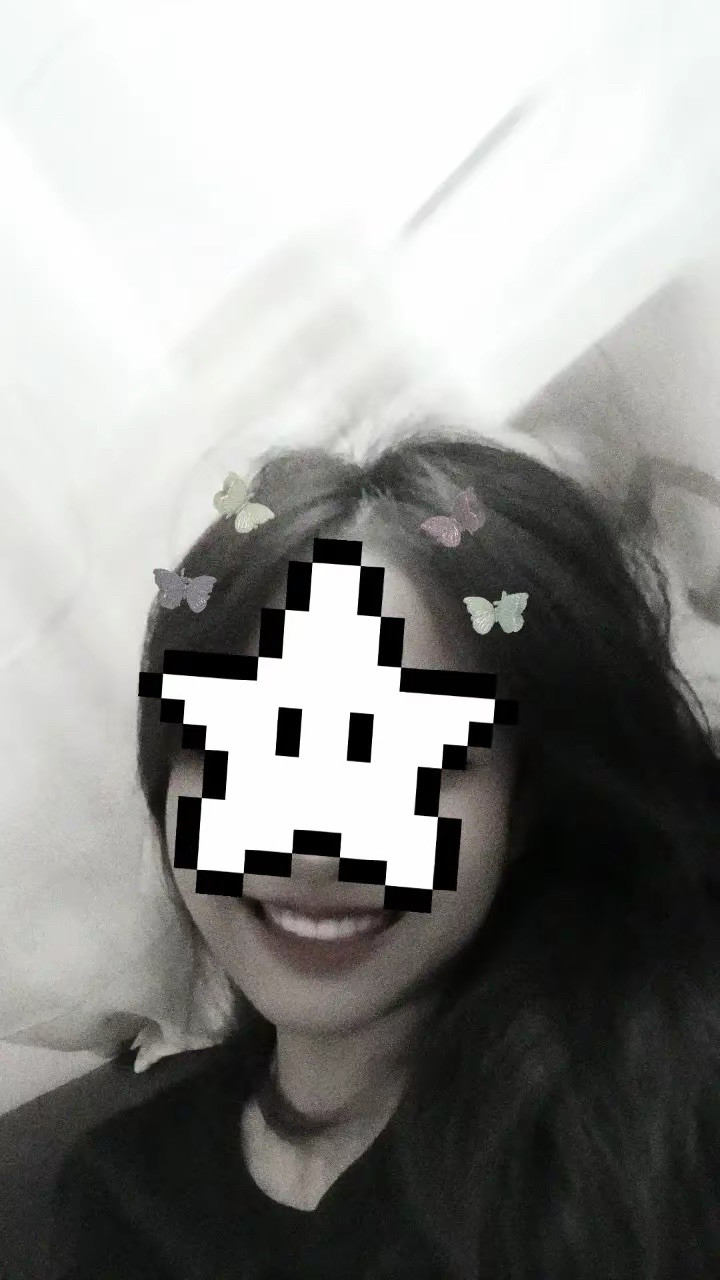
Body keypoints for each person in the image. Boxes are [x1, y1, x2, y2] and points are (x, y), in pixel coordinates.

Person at [52, 424, 720, 1279]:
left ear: (524, 807)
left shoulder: (659, 1140)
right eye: (243, 745)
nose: (312, 848)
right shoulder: (117, 1195)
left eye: (405, 757)